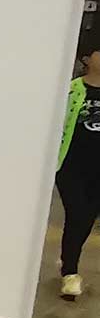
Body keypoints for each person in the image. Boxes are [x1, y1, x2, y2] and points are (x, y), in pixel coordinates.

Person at [56, 40, 100, 300]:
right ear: (87, 58)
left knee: (85, 219)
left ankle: (68, 261)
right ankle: (70, 272)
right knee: (78, 213)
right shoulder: (71, 90)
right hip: (71, 166)